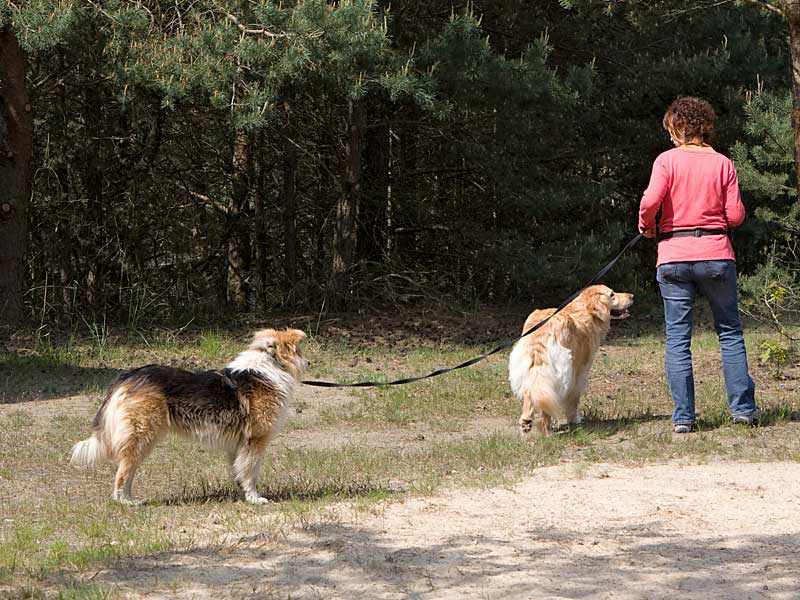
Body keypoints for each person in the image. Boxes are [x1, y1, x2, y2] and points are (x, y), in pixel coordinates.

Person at [638, 96, 760, 434]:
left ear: (679, 127)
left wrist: (646, 225)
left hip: (674, 256)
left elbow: (650, 201)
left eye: (671, 130)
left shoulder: (666, 161)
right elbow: (736, 216)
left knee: (678, 338)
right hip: (716, 254)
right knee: (730, 332)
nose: (670, 136)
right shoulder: (723, 163)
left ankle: (684, 418)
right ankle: (743, 410)